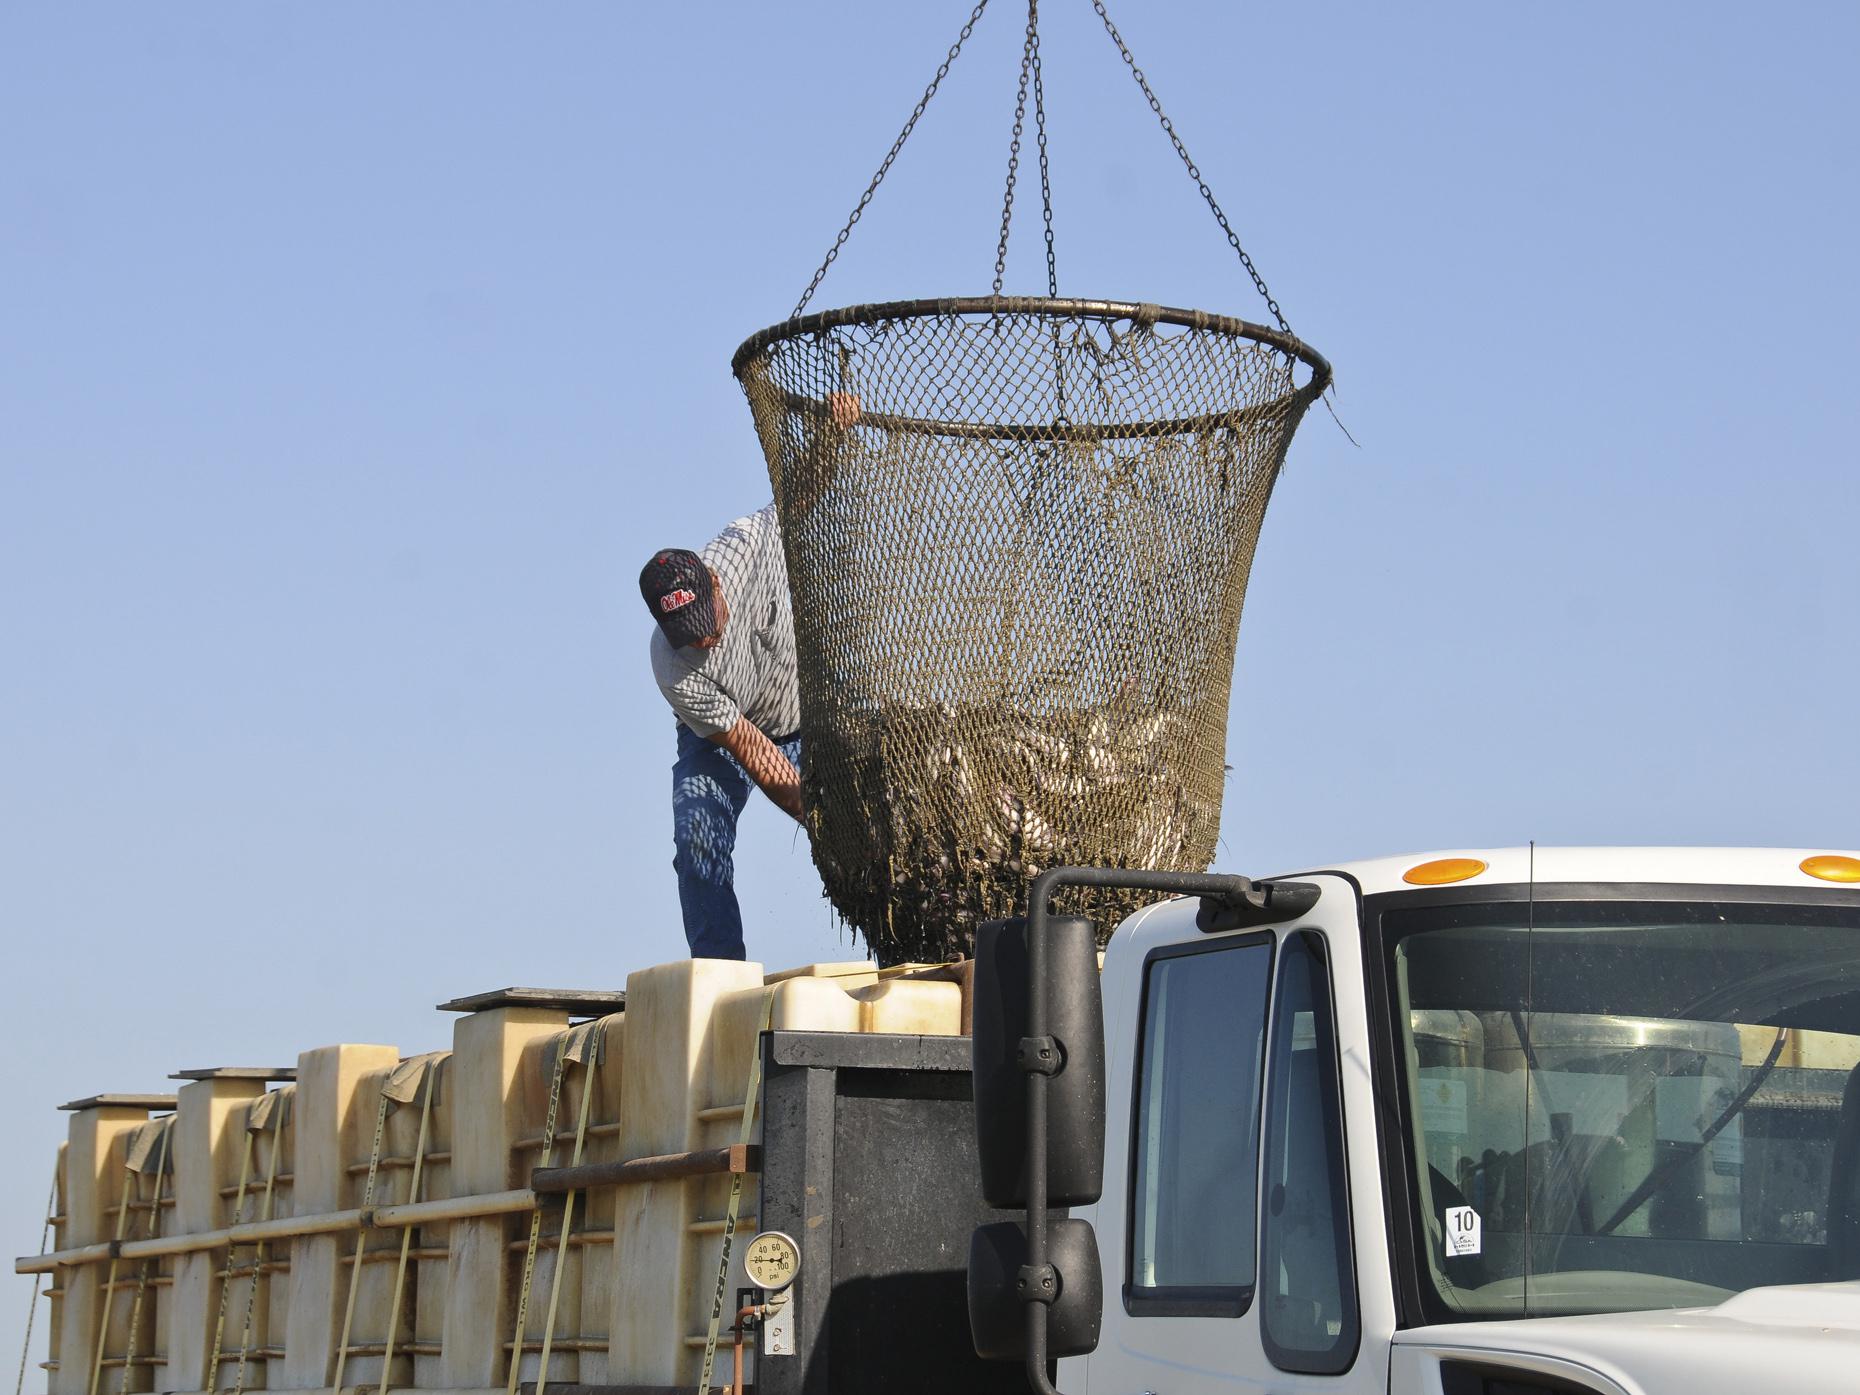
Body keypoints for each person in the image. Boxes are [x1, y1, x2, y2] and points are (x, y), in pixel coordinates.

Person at [640, 505, 803, 960]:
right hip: (727, 736)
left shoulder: (747, 546)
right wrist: (819, 818)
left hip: (807, 718)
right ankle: (720, 972)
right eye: (684, 633)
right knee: (697, 838)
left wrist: (831, 438)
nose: (701, 640)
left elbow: (801, 492)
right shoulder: (672, 667)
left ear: (713, 581)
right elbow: (751, 749)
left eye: (704, 623)